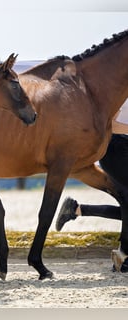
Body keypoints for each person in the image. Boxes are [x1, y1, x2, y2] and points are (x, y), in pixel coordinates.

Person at [56, 103, 128, 272]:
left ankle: (76, 210)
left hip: (122, 146)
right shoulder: (122, 91)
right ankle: (123, 256)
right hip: (115, 148)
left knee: (126, 202)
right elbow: (109, 125)